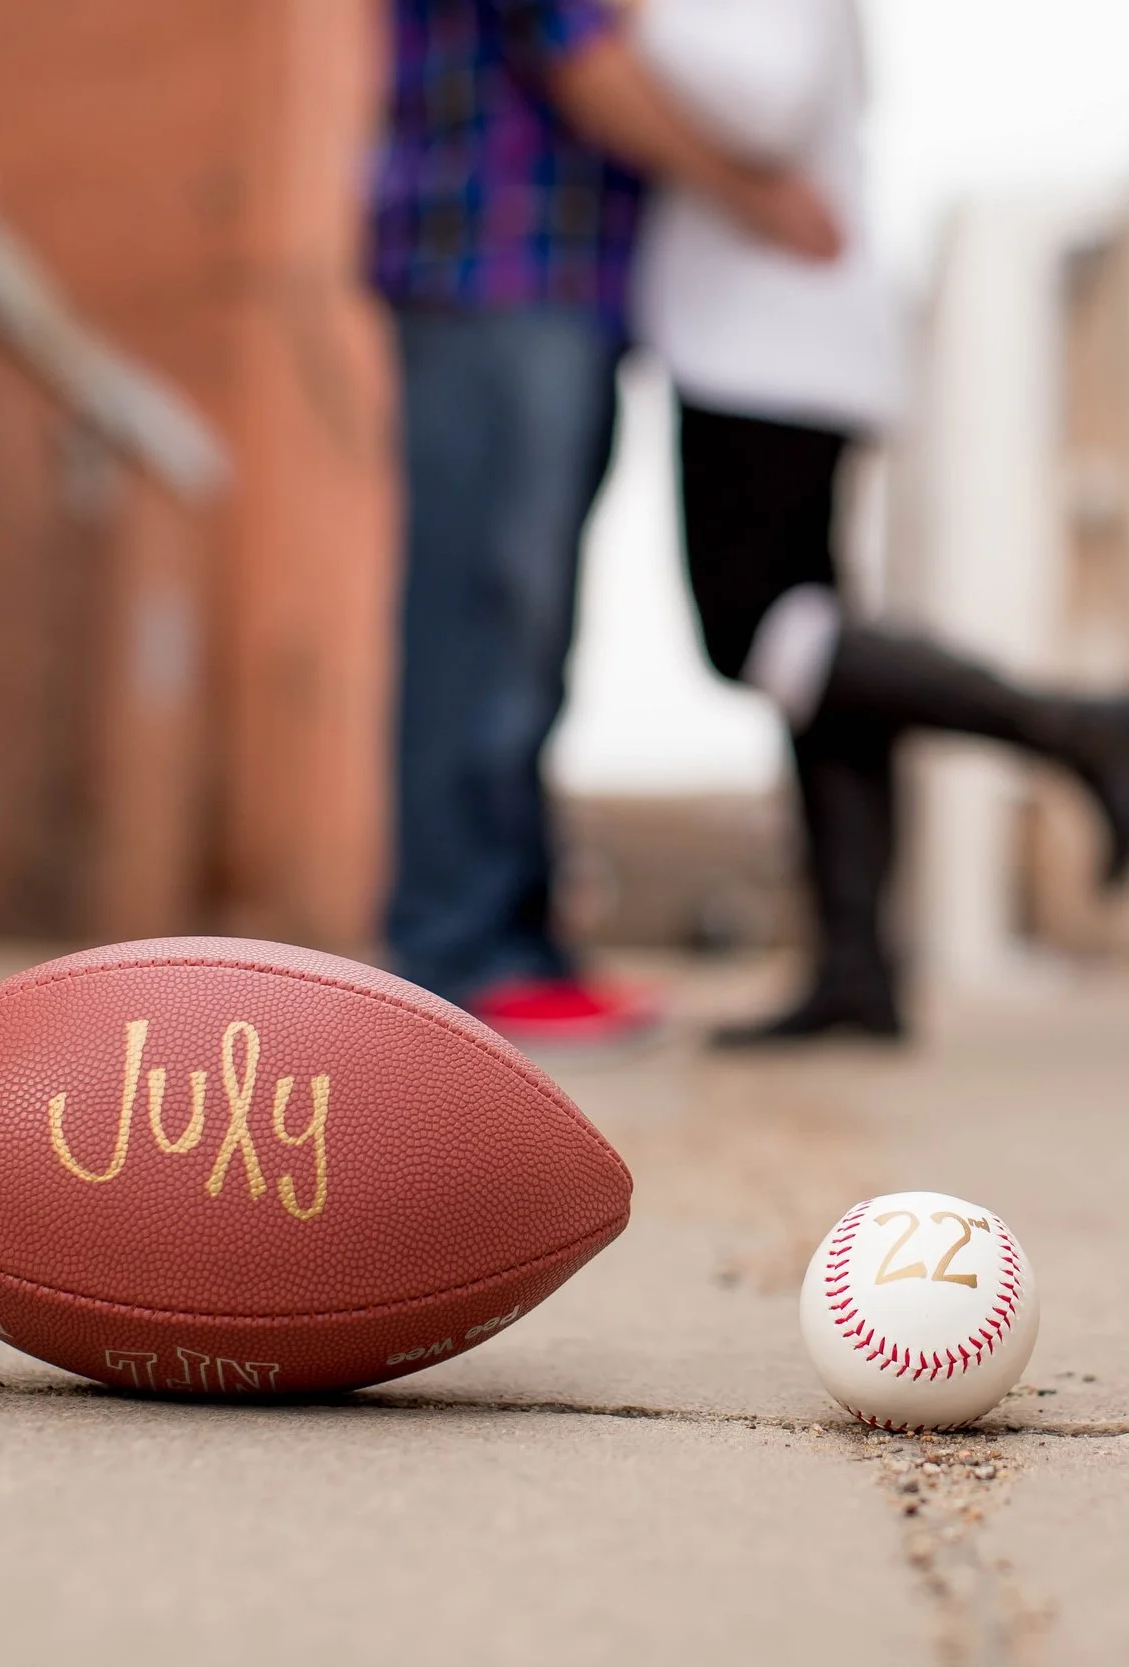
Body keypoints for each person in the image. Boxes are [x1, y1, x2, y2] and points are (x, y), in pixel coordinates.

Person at [630, 0, 1129, 1045]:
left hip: (765, 347)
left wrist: (632, 21)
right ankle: (856, 969)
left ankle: (1073, 727)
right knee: (809, 656)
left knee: (760, 635)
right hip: (777, 340)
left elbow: (767, 102)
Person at [369, 0, 840, 1050]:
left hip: (557, 282)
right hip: (491, 269)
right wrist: (752, 194)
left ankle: (513, 943)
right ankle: (462, 950)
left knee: (524, 624)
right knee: (485, 610)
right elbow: (586, 59)